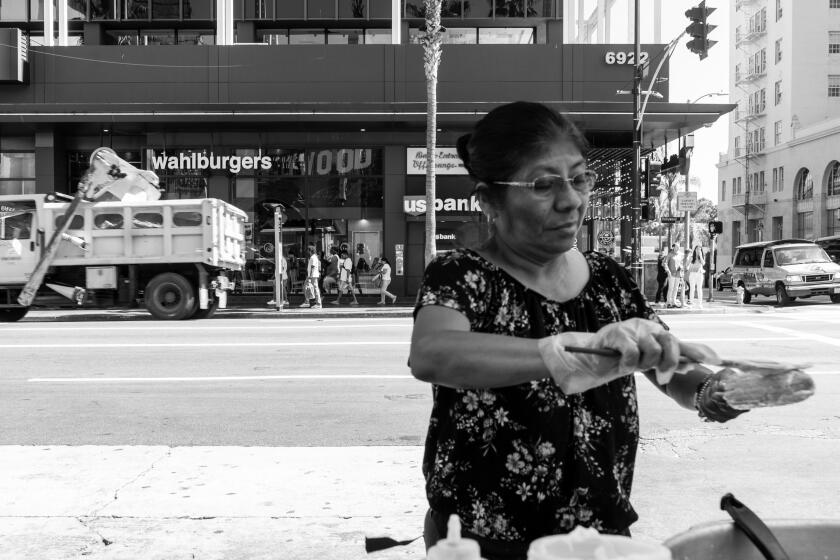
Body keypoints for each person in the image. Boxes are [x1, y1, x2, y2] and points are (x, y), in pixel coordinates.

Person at [409, 101, 745, 560]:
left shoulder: (608, 277)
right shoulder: (461, 275)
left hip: (599, 539)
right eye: (543, 185)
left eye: (579, 178)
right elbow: (432, 353)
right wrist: (563, 355)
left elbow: (667, 366)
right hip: (482, 540)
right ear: (489, 200)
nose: (570, 200)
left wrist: (711, 389)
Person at [299, 244, 322, 309]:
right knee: (308, 288)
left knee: (313, 288)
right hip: (312, 275)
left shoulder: (313, 257)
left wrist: (310, 276)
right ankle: (308, 302)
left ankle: (317, 303)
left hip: (312, 276)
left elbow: (313, 266)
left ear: (310, 250)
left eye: (308, 250)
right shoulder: (313, 257)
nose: (307, 252)